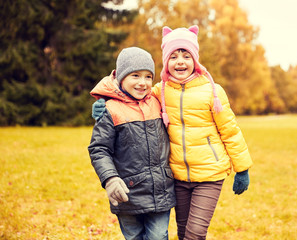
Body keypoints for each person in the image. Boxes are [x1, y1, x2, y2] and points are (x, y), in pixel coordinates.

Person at [93, 26, 253, 240]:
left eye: (186, 55)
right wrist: (101, 104)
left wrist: (242, 168)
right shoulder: (159, 91)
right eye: (173, 56)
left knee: (195, 233)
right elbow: (126, 95)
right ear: (166, 61)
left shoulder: (213, 91)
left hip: (209, 172)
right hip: (176, 175)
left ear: (195, 60)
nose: (180, 61)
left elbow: (230, 131)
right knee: (182, 230)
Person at [88, 47, 176, 240]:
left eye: (148, 77)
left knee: (159, 236)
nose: (142, 83)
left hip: (160, 190)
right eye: (135, 75)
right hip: (127, 192)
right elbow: (99, 149)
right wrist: (110, 179)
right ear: (120, 77)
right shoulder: (110, 110)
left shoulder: (158, 100)